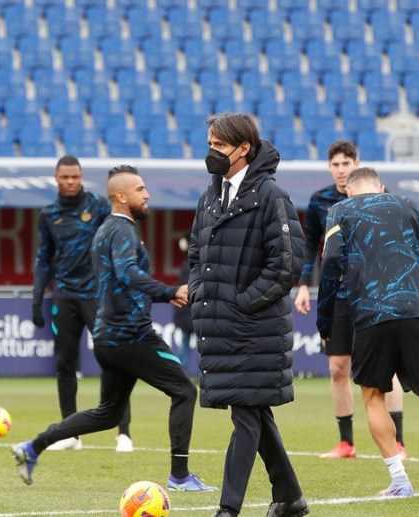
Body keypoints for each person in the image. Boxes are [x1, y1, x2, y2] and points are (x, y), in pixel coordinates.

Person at [11, 171, 216, 493]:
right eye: (140, 189)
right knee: (185, 392)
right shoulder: (122, 230)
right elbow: (127, 272)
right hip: (131, 335)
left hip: (108, 337)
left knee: (108, 414)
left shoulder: (105, 229)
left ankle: (32, 447)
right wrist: (168, 291)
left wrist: (159, 294)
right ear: (121, 196)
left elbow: (121, 280)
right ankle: (180, 477)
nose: (147, 195)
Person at [317, 167, 419, 498]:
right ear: (381, 188)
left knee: (373, 397)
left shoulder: (340, 210)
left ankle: (400, 480)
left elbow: (330, 263)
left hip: (371, 315)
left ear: (349, 190)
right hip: (416, 310)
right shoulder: (408, 204)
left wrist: (324, 320)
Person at [189, 113, 308, 517]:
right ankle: (290, 498)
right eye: (210, 143)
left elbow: (287, 266)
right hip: (221, 324)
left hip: (256, 327)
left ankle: (228, 508)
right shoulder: (209, 196)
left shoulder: (272, 196)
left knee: (245, 414)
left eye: (220, 145)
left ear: (244, 149)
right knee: (253, 408)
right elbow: (196, 255)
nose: (212, 152)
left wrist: (242, 304)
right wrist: (200, 293)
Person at [293, 140, 406, 460]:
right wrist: (303, 285)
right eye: (336, 165)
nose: (341, 170)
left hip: (375, 293)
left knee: (388, 369)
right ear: (329, 167)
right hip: (339, 296)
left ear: (357, 164)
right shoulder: (320, 201)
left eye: (346, 163)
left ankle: (398, 442)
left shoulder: (382, 196)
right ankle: (346, 443)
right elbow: (311, 246)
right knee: (338, 368)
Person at [32, 156, 132, 452]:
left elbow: (119, 237)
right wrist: (36, 297)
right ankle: (70, 434)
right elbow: (43, 258)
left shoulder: (99, 206)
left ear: (81, 177)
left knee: (114, 359)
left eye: (75, 177)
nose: (70, 182)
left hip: (97, 294)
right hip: (64, 296)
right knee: (65, 363)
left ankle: (123, 432)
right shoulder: (48, 214)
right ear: (56, 178)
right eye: (65, 177)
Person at [172, 234, 194, 369]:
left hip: (188, 312)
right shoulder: (191, 262)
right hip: (191, 313)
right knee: (200, 346)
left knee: (185, 345)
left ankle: (180, 373)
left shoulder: (189, 263)